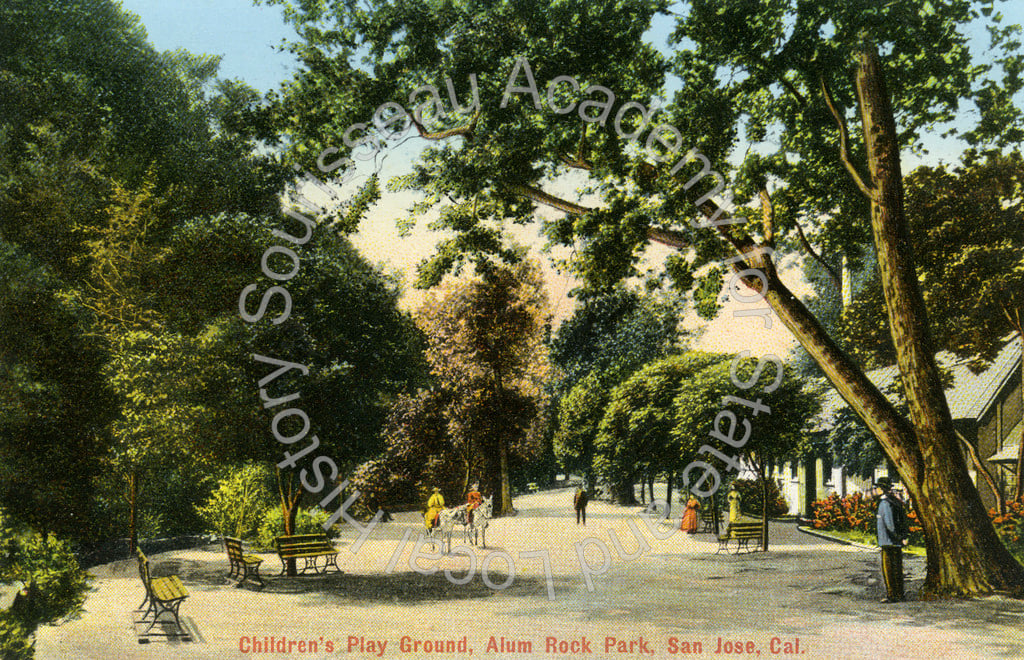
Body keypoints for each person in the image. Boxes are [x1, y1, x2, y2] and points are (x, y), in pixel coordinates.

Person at [874, 476, 909, 603]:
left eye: (877, 487)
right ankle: (899, 594)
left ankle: (892, 595)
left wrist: (898, 538)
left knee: (889, 570)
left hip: (888, 542)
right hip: (894, 542)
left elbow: (889, 525)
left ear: (882, 489)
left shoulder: (884, 503)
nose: (876, 489)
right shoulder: (894, 502)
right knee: (897, 569)